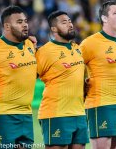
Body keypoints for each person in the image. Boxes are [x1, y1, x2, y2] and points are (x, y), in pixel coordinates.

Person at [79, 0, 116, 149]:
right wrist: (81, 85)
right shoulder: (90, 43)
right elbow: (72, 66)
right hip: (100, 105)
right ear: (104, 18)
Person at [36, 10, 89, 149]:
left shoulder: (77, 49)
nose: (70, 24)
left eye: (70, 21)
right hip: (56, 114)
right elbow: (27, 76)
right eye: (64, 22)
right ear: (53, 28)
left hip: (79, 114)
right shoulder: (44, 52)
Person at [0, 6, 37, 148]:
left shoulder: (30, 44)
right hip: (3, 116)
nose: (25, 24)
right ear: (7, 26)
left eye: (25, 21)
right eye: (19, 22)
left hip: (27, 116)